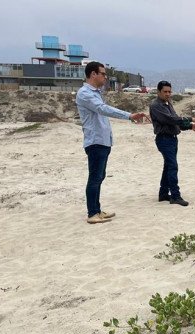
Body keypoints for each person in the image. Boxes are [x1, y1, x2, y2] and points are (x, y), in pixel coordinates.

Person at [76, 61, 149, 224]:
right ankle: (92, 213)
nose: (105, 76)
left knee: (99, 176)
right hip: (95, 141)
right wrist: (129, 115)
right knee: (95, 177)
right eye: (103, 73)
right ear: (93, 74)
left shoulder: (95, 92)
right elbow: (103, 109)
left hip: (103, 141)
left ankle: (97, 210)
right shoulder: (85, 93)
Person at [149, 81, 195, 206]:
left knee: (168, 166)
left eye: (169, 91)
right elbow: (170, 119)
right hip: (164, 139)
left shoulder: (168, 104)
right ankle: (175, 196)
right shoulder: (156, 105)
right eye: (165, 92)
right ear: (158, 92)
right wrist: (190, 119)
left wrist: (190, 126)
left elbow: (174, 122)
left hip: (172, 139)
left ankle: (163, 194)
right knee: (173, 166)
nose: (168, 94)